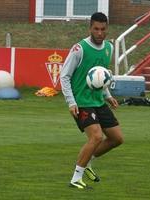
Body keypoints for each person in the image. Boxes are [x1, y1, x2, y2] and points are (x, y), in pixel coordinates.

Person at [60, 12, 124, 189]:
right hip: (81, 102)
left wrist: (108, 96)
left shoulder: (109, 48)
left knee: (116, 139)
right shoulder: (79, 49)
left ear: (107, 29)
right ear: (90, 28)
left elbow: (100, 77)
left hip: (98, 101)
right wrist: (71, 102)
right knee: (96, 136)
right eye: (96, 29)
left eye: (103, 29)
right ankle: (75, 178)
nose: (100, 33)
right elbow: (64, 76)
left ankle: (88, 161)